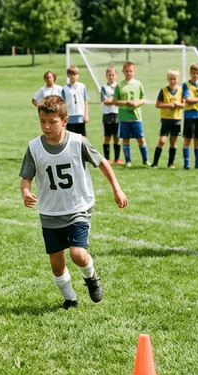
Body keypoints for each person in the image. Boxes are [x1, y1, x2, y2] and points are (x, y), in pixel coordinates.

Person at [20, 95, 127, 308]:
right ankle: (70, 300)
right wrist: (25, 192)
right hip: (50, 212)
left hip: (78, 207)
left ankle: (91, 277)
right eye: (42, 121)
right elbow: (26, 178)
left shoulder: (78, 142)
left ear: (65, 121)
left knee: (77, 254)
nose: (47, 126)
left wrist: (117, 189)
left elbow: (103, 163)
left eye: (52, 122)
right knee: (56, 263)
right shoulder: (34, 147)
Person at [113, 61, 149, 166]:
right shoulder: (119, 85)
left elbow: (143, 99)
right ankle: (128, 161)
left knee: (140, 138)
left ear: (134, 72)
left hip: (136, 117)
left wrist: (137, 103)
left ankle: (146, 160)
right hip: (124, 117)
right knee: (125, 139)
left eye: (131, 71)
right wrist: (126, 102)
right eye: (127, 71)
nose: (129, 73)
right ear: (123, 72)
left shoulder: (138, 84)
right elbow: (115, 101)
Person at [151, 69, 184, 169]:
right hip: (166, 120)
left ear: (178, 79)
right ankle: (155, 163)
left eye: (174, 79)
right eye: (171, 79)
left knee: (173, 142)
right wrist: (169, 105)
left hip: (176, 120)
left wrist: (178, 104)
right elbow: (158, 104)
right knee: (162, 141)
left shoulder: (181, 90)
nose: (173, 81)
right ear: (167, 79)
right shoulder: (163, 90)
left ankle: (170, 163)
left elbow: (183, 104)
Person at [181, 63, 198, 169]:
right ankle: (187, 164)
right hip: (190, 115)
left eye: (197, 73)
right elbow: (189, 100)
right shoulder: (186, 85)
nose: (195, 75)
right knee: (187, 140)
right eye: (193, 73)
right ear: (190, 73)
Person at [99, 66, 122, 165]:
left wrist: (112, 101)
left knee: (117, 137)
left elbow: (120, 101)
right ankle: (107, 158)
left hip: (117, 114)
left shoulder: (119, 87)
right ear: (106, 76)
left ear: (116, 76)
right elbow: (105, 101)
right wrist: (114, 101)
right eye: (109, 75)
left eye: (113, 75)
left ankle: (117, 158)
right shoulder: (104, 87)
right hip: (107, 115)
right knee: (107, 137)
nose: (111, 77)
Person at [62, 66, 89, 136]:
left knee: (82, 137)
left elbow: (85, 102)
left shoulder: (82, 86)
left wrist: (86, 115)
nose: (73, 76)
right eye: (71, 74)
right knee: (70, 137)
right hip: (70, 116)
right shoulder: (65, 88)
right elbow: (63, 104)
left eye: (75, 74)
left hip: (80, 116)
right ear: (68, 76)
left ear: (78, 75)